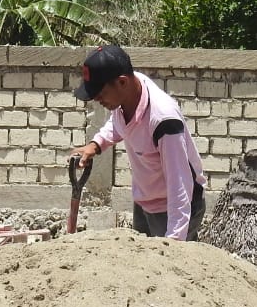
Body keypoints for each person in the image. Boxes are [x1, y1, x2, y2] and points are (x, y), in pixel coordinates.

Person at [70, 44, 207, 241]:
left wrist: (175, 241)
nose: (97, 100)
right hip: (145, 201)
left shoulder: (164, 120)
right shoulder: (128, 95)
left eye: (100, 94)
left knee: (167, 268)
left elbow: (180, 183)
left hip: (173, 208)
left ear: (122, 82)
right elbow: (119, 123)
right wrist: (96, 144)